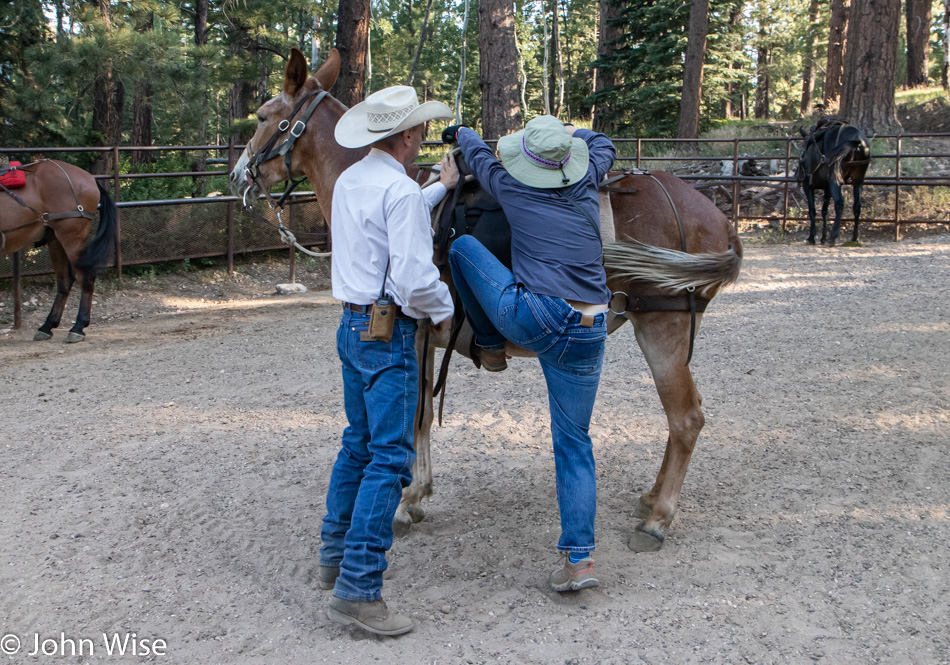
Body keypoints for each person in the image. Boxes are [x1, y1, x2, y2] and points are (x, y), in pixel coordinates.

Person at [443, 115, 616, 592]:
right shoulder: (588, 175)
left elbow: (478, 155)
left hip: (538, 317)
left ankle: (491, 345)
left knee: (462, 249)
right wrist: (573, 137)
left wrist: (461, 132)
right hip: (592, 325)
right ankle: (580, 562)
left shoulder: (510, 186)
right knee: (575, 442)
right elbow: (603, 143)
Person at [319, 85, 458, 636]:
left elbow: (385, 223)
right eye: (419, 129)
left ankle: (333, 555)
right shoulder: (398, 193)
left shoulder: (352, 180)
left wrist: (434, 190)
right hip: (389, 331)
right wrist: (443, 309)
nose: (422, 136)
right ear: (405, 135)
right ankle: (359, 587)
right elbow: (414, 279)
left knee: (357, 442)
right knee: (390, 458)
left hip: (352, 324)